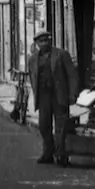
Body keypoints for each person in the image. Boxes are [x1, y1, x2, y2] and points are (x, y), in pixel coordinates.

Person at [28, 29, 77, 167]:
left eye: (46, 40)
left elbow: (72, 75)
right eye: (41, 41)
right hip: (43, 96)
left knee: (61, 126)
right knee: (44, 125)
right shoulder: (33, 59)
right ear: (36, 43)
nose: (44, 43)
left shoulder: (61, 55)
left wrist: (72, 94)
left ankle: (61, 154)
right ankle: (48, 152)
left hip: (59, 95)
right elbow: (33, 77)